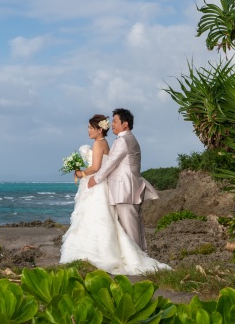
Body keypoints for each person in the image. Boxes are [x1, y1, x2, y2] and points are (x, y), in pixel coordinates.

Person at [59, 111, 168, 275]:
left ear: (125, 124)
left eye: (115, 121)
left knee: (130, 228)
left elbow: (107, 165)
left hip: (125, 189)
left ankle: (137, 261)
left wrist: (92, 178)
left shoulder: (123, 140)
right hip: (122, 188)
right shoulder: (119, 141)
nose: (112, 125)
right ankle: (139, 257)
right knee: (129, 227)